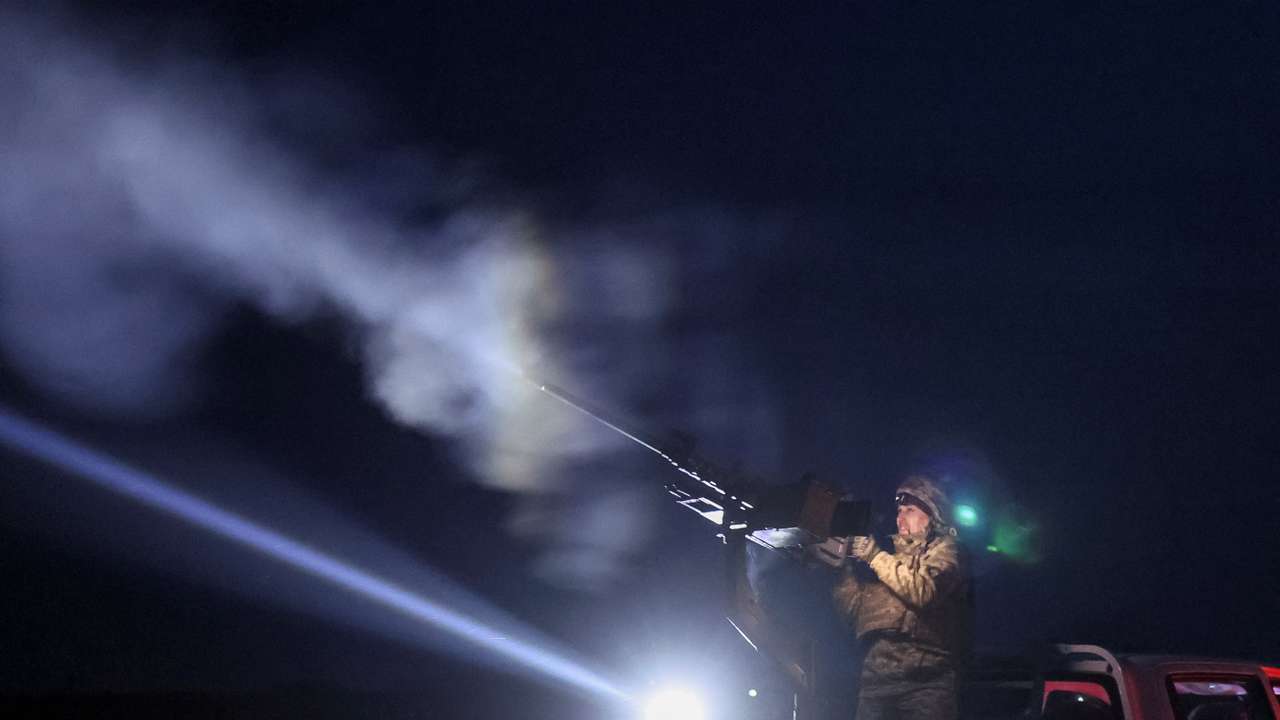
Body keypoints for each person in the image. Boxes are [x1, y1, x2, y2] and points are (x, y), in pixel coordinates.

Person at [832, 475, 973, 720]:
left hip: (926, 685)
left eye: (910, 509)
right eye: (899, 510)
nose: (901, 517)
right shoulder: (886, 562)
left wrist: (874, 557)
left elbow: (923, 591)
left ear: (932, 516)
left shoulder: (948, 551)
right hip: (875, 685)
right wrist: (839, 569)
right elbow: (854, 613)